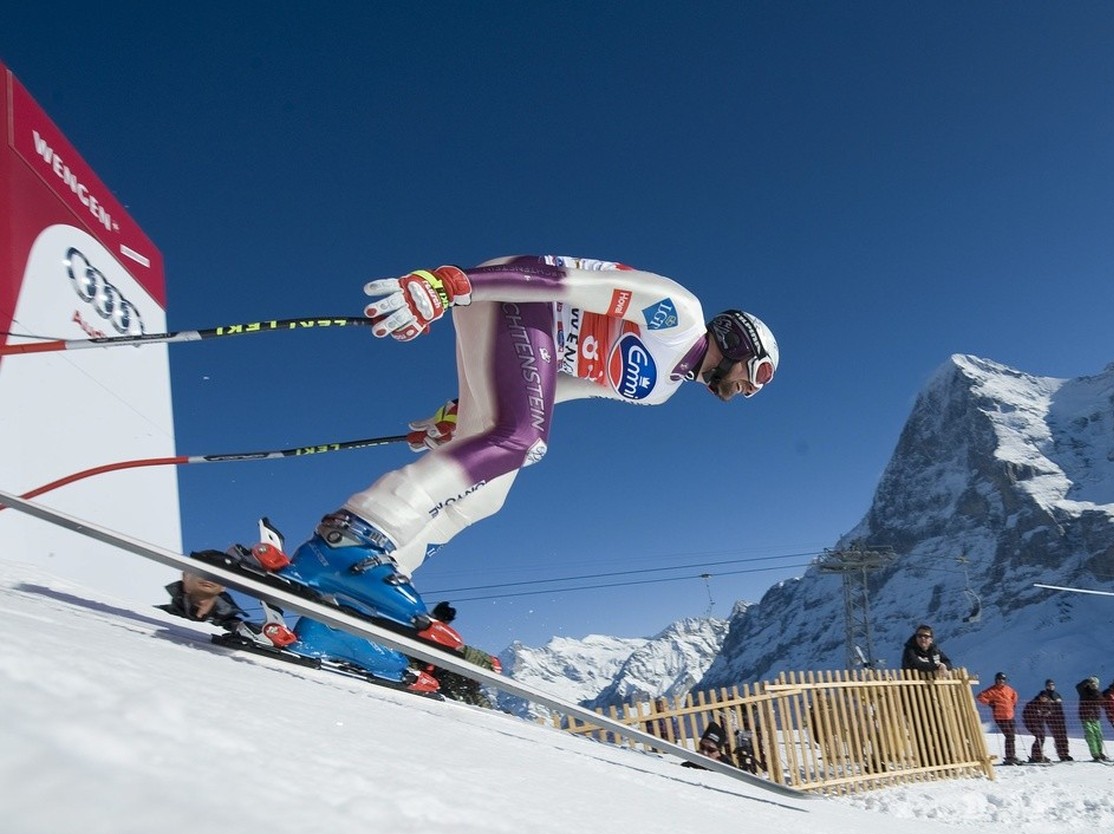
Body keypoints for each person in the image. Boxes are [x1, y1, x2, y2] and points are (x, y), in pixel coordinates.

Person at [252, 256, 778, 668]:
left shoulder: (661, 388)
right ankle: (353, 536)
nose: (743, 392)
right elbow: (561, 282)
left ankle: (348, 611)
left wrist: (458, 420)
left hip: (526, 339)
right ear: (736, 342)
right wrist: (451, 285)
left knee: (491, 488)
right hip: (516, 297)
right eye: (753, 376)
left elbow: (561, 386)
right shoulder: (678, 313)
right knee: (523, 438)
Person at [159, 570, 246, 629]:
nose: (208, 578)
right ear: (185, 577)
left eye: (216, 574)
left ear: (224, 586)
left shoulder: (237, 630)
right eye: (202, 571)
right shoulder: (155, 616)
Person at [976, 673, 1021, 764]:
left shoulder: (1009, 689)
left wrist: (1013, 704)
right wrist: (990, 703)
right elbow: (980, 696)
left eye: (1003, 679)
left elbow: (1015, 695)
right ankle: (1010, 757)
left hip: (1010, 716)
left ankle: (1012, 756)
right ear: (996, 680)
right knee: (1009, 736)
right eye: (999, 679)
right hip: (1000, 717)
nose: (1001, 681)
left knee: (1011, 737)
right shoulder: (992, 690)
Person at [1076, 676, 1108, 762]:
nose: (1094, 685)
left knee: (1098, 735)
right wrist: (1086, 680)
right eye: (1092, 683)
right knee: (1091, 735)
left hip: (1096, 717)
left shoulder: (1098, 693)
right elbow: (1078, 686)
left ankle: (1100, 752)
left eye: (1095, 684)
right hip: (1086, 717)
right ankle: (1095, 754)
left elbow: (1103, 703)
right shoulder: (1084, 691)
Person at [1042, 679, 1072, 761]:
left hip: (1060, 718)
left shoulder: (1057, 694)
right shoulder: (1045, 694)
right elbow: (1044, 704)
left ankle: (1066, 753)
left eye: (1052, 685)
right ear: (1046, 686)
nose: (1051, 686)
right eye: (1049, 685)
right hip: (1051, 719)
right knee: (1057, 736)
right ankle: (1061, 754)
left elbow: (1059, 704)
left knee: (1063, 736)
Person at [1022, 689, 1050, 763]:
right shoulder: (1033, 704)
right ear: (1040, 697)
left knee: (1042, 737)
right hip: (1031, 723)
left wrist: (1045, 713)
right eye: (1043, 697)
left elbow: (1049, 711)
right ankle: (1035, 756)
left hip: (1040, 723)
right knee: (1039, 737)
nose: (1044, 698)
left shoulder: (1047, 703)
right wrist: (1036, 715)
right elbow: (1025, 714)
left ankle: (1038, 755)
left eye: (1045, 697)